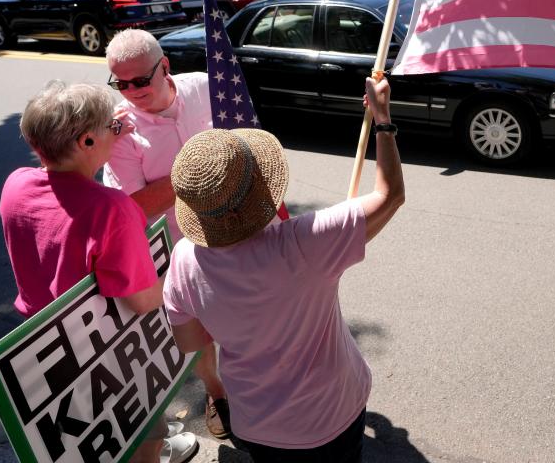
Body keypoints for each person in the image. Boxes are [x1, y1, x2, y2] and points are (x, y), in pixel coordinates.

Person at [163, 76, 405, 462]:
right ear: (260, 184)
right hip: (333, 417)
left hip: (256, 424)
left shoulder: (184, 259)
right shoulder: (305, 242)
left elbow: (191, 342)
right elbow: (391, 195)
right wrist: (383, 119)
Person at [0, 80, 197, 463]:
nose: (116, 130)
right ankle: (152, 450)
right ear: (86, 141)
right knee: (137, 427)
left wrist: (106, 133)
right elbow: (141, 301)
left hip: (43, 347)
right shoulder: (111, 209)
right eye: (110, 126)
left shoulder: (15, 185)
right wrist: (183, 271)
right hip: (101, 351)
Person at [102, 29, 232, 439]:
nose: (131, 91)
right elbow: (135, 209)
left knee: (246, 313)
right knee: (195, 329)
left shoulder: (207, 89)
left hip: (230, 228)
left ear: (166, 67)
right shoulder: (119, 131)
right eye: (120, 83)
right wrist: (198, 170)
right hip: (177, 247)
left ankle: (257, 384)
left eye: (140, 80)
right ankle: (217, 393)